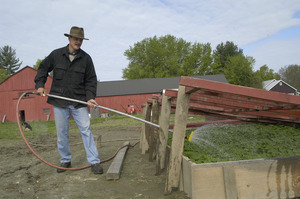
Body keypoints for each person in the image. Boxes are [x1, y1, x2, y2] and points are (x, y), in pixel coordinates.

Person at [34, 26, 103, 174]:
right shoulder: (56, 55)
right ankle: (65, 160)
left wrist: (90, 97)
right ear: (69, 39)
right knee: (62, 132)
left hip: (79, 101)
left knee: (86, 130)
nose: (78, 41)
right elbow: (42, 69)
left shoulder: (86, 59)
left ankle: (94, 161)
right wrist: (40, 85)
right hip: (59, 100)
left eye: (80, 39)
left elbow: (91, 80)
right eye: (75, 39)